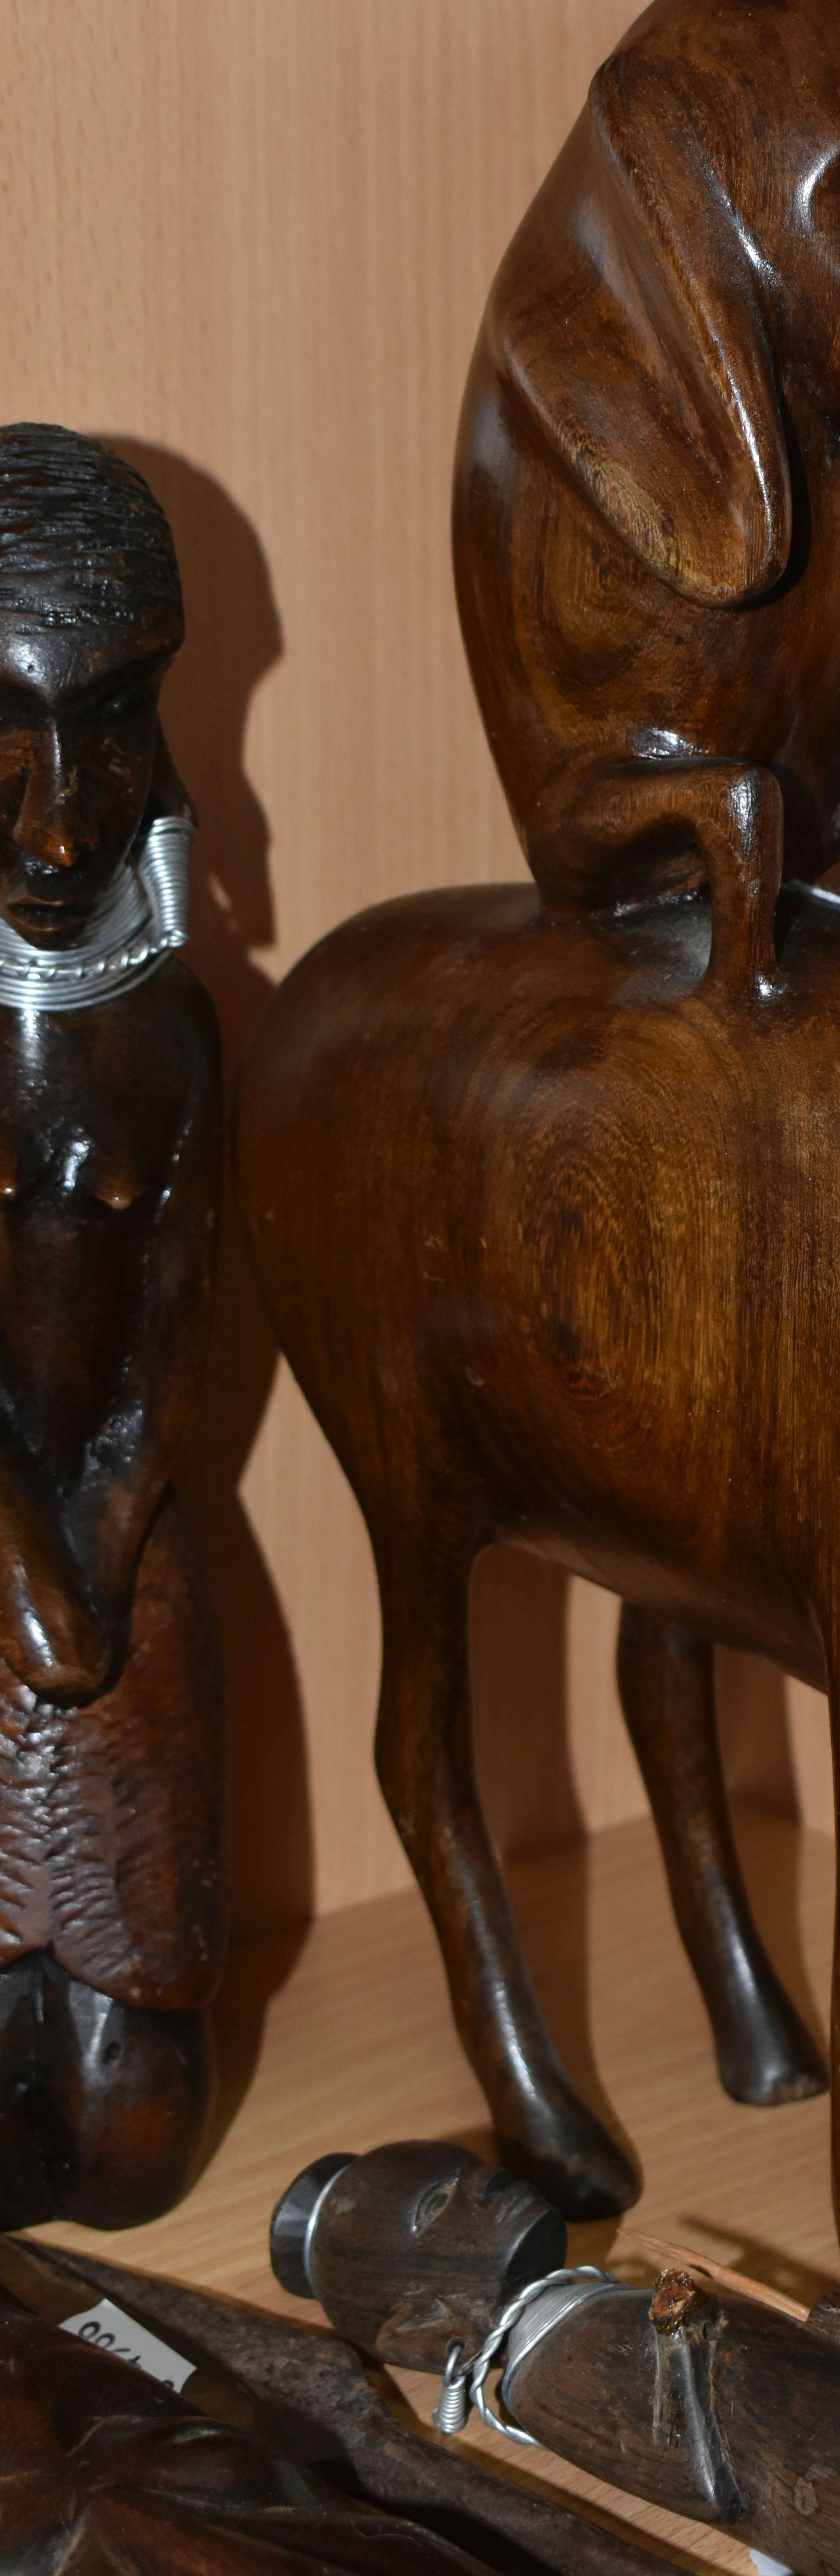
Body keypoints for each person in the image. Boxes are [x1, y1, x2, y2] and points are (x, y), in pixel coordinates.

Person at [0, 422, 223, 2225]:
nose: (64, 822)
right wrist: (23, 1563)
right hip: (17, 1566)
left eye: (115, 723)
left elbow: (175, 1335)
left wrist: (117, 1519)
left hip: (120, 1563)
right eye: (6, 741)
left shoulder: (174, 1036)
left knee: (139, 2148)